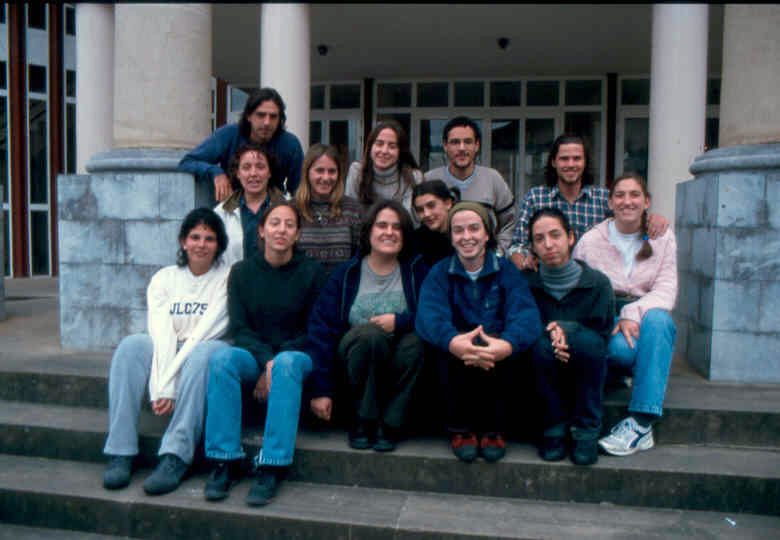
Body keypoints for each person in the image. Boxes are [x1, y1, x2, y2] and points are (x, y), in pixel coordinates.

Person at [202, 202, 327, 507]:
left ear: (298, 234)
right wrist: (264, 361)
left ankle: (272, 464)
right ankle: (224, 461)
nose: (281, 230)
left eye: (289, 224)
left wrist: (274, 361)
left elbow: (313, 330)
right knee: (222, 359)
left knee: (285, 364)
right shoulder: (242, 273)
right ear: (261, 230)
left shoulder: (313, 273)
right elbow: (241, 329)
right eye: (274, 223)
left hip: (297, 357)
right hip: (255, 355)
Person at [102, 208, 231, 495]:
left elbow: (203, 333)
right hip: (169, 348)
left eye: (209, 239)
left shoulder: (227, 278)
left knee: (202, 353)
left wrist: (168, 386)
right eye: (194, 237)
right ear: (183, 241)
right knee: (131, 347)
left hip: (207, 346)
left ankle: (176, 455)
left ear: (219, 244)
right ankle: (120, 451)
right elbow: (161, 333)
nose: (201, 244)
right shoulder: (164, 278)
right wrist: (162, 386)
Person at [416, 202, 542, 463]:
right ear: (450, 237)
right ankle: (461, 430)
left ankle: (494, 430)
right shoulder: (439, 273)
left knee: (511, 353)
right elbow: (429, 315)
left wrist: (506, 344)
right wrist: (452, 341)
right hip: (456, 353)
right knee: (441, 351)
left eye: (474, 228)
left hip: (496, 352)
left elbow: (525, 314)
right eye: (458, 230)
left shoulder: (506, 270)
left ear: (487, 234)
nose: (467, 237)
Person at [306, 200, 427, 453]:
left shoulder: (417, 271)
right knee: (370, 335)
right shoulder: (346, 274)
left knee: (416, 341)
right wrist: (321, 389)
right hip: (356, 360)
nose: (389, 232)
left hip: (401, 362)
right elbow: (321, 332)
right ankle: (364, 419)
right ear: (368, 231)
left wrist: (400, 321)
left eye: (397, 227)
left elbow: (433, 316)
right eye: (381, 225)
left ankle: (392, 423)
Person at [572, 172, 677, 456]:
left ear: (647, 202)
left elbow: (667, 289)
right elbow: (580, 289)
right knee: (624, 352)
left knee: (659, 319)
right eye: (620, 195)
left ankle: (642, 422)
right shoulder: (592, 240)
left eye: (634, 195)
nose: (626, 201)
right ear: (610, 202)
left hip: (645, 314)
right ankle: (622, 372)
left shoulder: (662, 236)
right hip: (607, 316)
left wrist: (633, 311)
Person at [524, 208, 614, 466]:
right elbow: (522, 325)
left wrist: (567, 331)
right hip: (543, 364)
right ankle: (553, 429)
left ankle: (586, 430)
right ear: (532, 247)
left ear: (571, 237)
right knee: (540, 346)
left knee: (591, 345)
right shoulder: (526, 284)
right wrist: (552, 334)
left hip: (586, 361)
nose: (548, 244)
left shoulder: (597, 284)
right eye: (539, 239)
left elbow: (602, 334)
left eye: (555, 235)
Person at [508, 134, 668, 271]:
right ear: (554, 162)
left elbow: (633, 230)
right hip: (547, 282)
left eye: (577, 158)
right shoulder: (536, 198)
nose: (571, 164)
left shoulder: (604, 199)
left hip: (595, 285)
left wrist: (652, 220)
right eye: (564, 159)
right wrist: (524, 263)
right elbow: (516, 246)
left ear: (585, 162)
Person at [178, 87, 304, 202]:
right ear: (249, 116)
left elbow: (299, 189)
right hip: (233, 207)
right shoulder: (227, 135)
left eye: (273, 116)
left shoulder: (290, 145)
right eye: (261, 115)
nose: (267, 122)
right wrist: (216, 172)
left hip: (272, 211)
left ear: (280, 119)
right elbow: (187, 161)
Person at [424, 116, 516, 254]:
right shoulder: (429, 180)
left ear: (477, 145)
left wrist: (498, 252)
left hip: (485, 263)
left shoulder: (492, 179)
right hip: (439, 261)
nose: (462, 148)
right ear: (445, 145)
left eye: (468, 142)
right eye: (455, 142)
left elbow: (509, 223)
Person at [294, 143, 362, 274]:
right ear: (307, 172)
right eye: (319, 170)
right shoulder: (291, 209)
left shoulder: (353, 210)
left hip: (340, 290)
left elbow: (359, 259)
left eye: (332, 171)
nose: (326, 178)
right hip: (301, 291)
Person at [214, 143, 286, 267]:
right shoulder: (221, 213)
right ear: (238, 173)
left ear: (269, 172)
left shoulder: (288, 208)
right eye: (246, 167)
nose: (253, 173)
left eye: (260, 167)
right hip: (234, 283)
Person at [345, 120, 423, 216]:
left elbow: (411, 221)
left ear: (400, 151)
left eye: (392, 146)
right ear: (370, 147)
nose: (384, 151)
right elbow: (350, 216)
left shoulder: (413, 177)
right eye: (379, 144)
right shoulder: (357, 172)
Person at [411, 179, 459, 267]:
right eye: (420, 210)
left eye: (431, 206)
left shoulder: (465, 233)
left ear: (448, 203)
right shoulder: (416, 241)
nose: (426, 214)